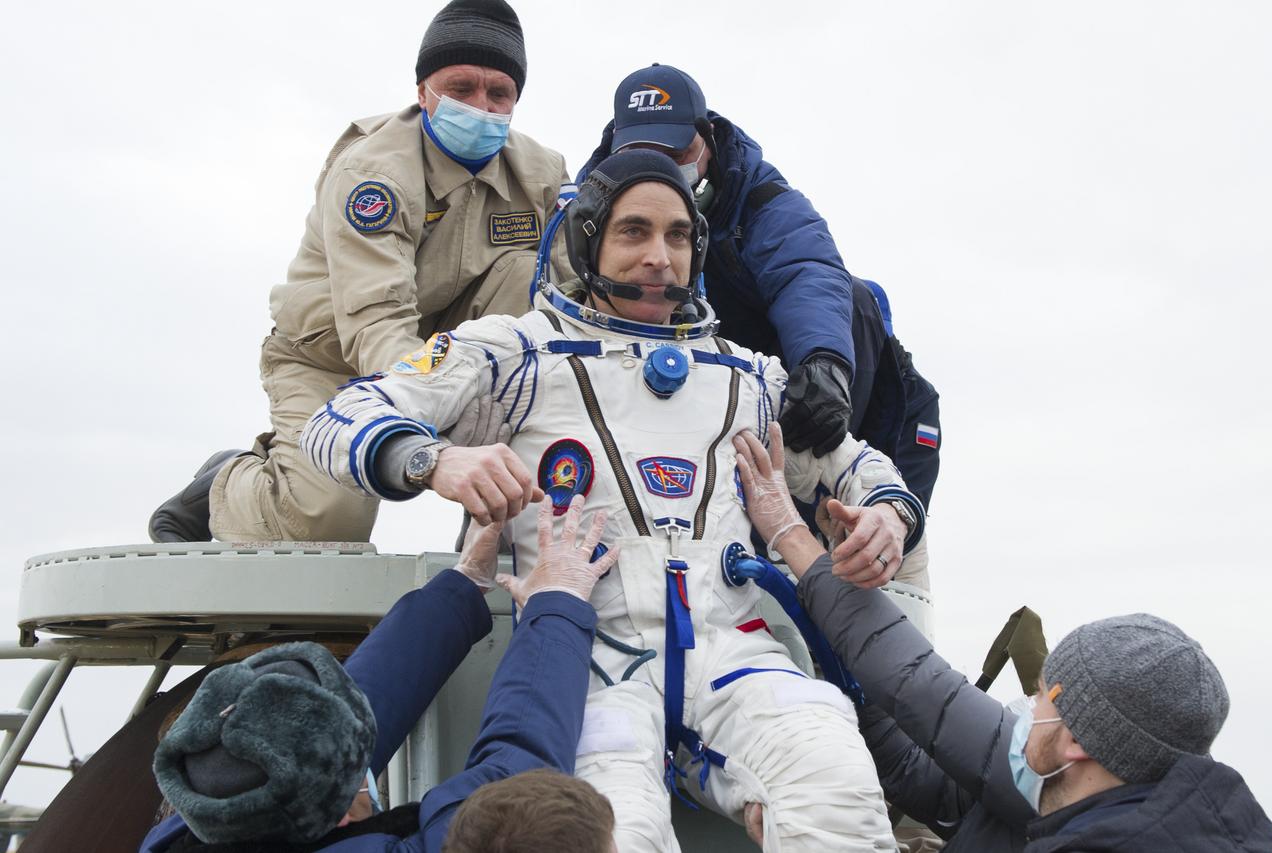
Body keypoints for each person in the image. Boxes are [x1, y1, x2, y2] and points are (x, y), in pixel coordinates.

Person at [301, 149, 931, 851]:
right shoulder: (519, 357)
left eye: (678, 236)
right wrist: (433, 459)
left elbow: (859, 463)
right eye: (634, 232)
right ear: (588, 238)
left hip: (732, 654)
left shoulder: (747, 378)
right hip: (591, 665)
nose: (659, 256)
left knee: (836, 780)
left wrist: (886, 513)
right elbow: (339, 419)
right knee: (607, 831)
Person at [733, 425, 1272, 853]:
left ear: (1077, 743)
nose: (1029, 705)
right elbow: (925, 726)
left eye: (1045, 694)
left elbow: (926, 687)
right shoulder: (1087, 790)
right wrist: (850, 688)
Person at [147, 0, 571, 545]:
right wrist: (423, 447)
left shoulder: (542, 172)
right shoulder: (372, 174)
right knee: (329, 522)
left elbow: (569, 295)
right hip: (330, 356)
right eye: (460, 88)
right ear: (424, 92)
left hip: (453, 348)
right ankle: (228, 485)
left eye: (499, 93)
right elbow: (377, 322)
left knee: (527, 277)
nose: (481, 106)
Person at [140, 496, 620, 852]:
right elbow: (518, 775)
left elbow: (340, 725)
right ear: (342, 812)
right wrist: (558, 603)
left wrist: (462, 586)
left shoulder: (201, 819)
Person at [579, 64, 942, 513]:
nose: (661, 171)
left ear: (706, 139)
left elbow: (806, 269)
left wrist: (823, 362)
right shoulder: (583, 206)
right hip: (685, 384)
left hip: (856, 405)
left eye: (674, 154)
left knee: (852, 299)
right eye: (641, 153)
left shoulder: (762, 196)